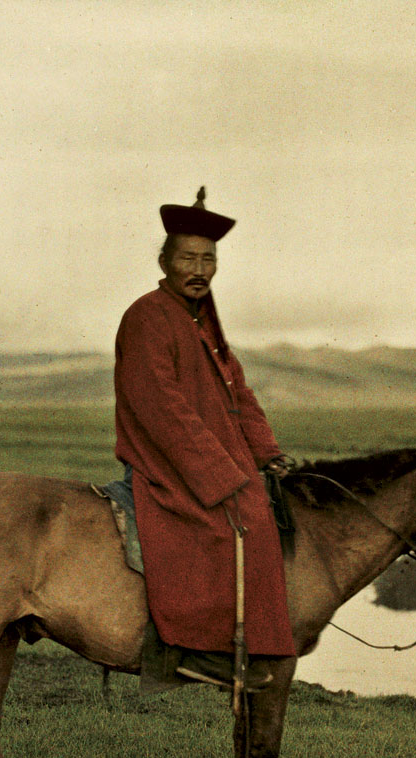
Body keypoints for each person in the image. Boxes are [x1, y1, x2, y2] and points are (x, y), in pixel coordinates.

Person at [114, 187, 295, 689]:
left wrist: (268, 454)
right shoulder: (149, 316)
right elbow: (162, 408)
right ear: (166, 261)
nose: (199, 268)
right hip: (165, 461)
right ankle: (193, 653)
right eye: (187, 257)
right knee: (243, 520)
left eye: (208, 258)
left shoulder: (204, 325)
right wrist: (221, 474)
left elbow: (240, 395)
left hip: (207, 459)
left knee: (262, 506)